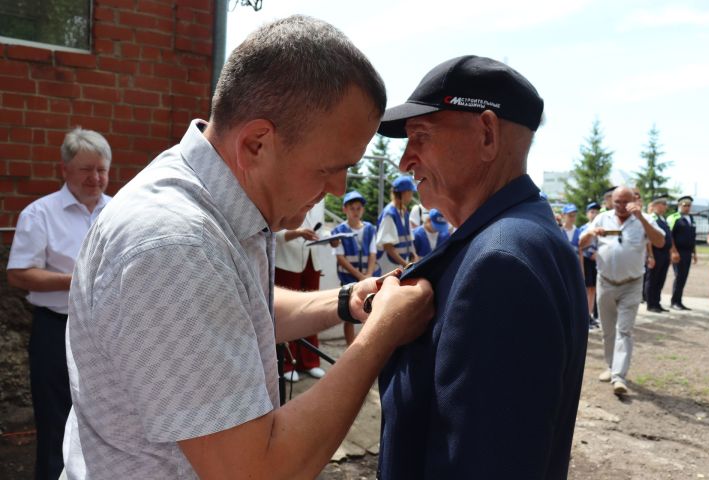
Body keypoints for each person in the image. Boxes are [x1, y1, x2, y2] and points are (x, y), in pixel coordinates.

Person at [62, 16, 434, 479]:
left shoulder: (221, 206)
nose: (338, 189)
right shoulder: (175, 248)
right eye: (329, 168)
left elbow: (234, 313)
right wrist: (383, 333)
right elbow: (257, 471)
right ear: (257, 143)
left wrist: (343, 301)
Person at [375, 55, 588, 478]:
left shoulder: (500, 262)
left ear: (487, 134)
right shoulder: (519, 236)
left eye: (420, 136)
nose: (405, 160)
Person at [7, 127, 112, 480]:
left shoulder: (120, 212)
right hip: (56, 329)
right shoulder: (40, 214)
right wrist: (76, 281)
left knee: (104, 424)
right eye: (86, 169)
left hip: (107, 331)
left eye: (102, 169)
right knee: (55, 424)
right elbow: (19, 273)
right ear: (65, 169)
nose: (95, 178)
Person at [579, 186, 665, 396]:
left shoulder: (643, 219)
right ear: (611, 200)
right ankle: (610, 367)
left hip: (632, 283)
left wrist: (642, 219)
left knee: (624, 330)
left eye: (625, 202)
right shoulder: (602, 218)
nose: (620, 206)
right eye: (616, 201)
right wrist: (591, 232)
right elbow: (580, 243)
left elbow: (660, 241)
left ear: (634, 200)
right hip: (605, 281)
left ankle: (619, 377)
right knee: (608, 330)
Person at [275, 201, 326, 382]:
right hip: (287, 261)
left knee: (313, 310)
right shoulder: (287, 188)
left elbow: (319, 228)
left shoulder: (321, 199)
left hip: (312, 261)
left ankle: (310, 361)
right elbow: (272, 231)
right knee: (289, 314)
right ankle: (287, 362)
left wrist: (329, 239)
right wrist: (297, 233)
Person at [331, 190, 380, 345]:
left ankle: (368, 344)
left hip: (369, 276)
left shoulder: (370, 229)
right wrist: (360, 276)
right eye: (352, 208)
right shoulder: (338, 231)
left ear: (363, 210)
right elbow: (340, 258)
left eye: (359, 208)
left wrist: (369, 274)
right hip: (348, 279)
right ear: (345, 209)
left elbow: (373, 254)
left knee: (371, 310)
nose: (356, 212)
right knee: (348, 314)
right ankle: (350, 346)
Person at [376, 175, 418, 272]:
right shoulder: (389, 214)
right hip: (389, 267)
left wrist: (413, 255)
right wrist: (406, 265)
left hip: (400, 264)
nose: (412, 196)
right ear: (401, 193)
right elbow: (388, 246)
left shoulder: (404, 212)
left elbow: (409, 239)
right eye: (410, 192)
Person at [644, 196, 673, 313]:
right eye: (663, 204)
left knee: (661, 278)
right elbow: (649, 238)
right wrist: (650, 255)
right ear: (656, 205)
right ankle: (651, 303)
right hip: (656, 252)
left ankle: (657, 302)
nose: (665, 207)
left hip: (665, 252)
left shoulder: (663, 219)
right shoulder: (652, 218)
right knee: (653, 278)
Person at [668, 195, 697, 310]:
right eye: (685, 205)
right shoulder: (674, 217)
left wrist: (694, 253)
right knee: (679, 276)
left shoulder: (691, 218)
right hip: (678, 251)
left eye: (689, 206)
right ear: (679, 205)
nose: (687, 208)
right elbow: (670, 236)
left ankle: (679, 301)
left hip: (688, 252)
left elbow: (692, 237)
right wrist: (674, 251)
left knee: (684, 277)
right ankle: (674, 301)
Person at [577, 201, 601, 329]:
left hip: (596, 261)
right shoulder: (583, 228)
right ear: (587, 214)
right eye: (592, 212)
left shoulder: (601, 227)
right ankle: (584, 315)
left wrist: (598, 252)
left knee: (593, 289)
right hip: (585, 260)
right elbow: (580, 244)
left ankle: (590, 315)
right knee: (586, 288)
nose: (594, 214)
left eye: (597, 212)